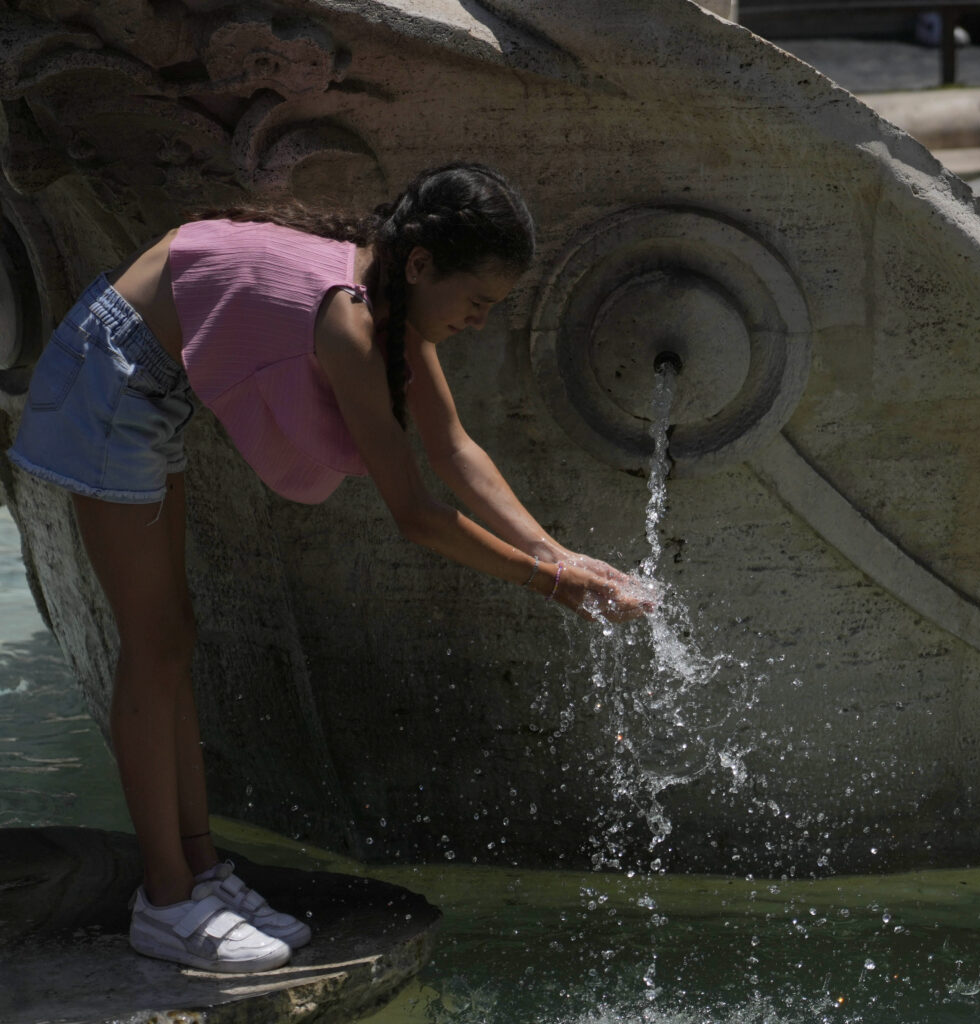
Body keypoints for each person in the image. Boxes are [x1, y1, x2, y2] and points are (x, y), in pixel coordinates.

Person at [6, 162, 651, 973]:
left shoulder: (385, 285)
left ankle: (201, 872)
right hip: (111, 379)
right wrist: (551, 587)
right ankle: (167, 902)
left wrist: (557, 552)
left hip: (146, 381)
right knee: (155, 643)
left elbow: (455, 447)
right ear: (423, 265)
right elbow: (415, 513)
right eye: (476, 303)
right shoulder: (347, 319)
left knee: (172, 637)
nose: (480, 322)